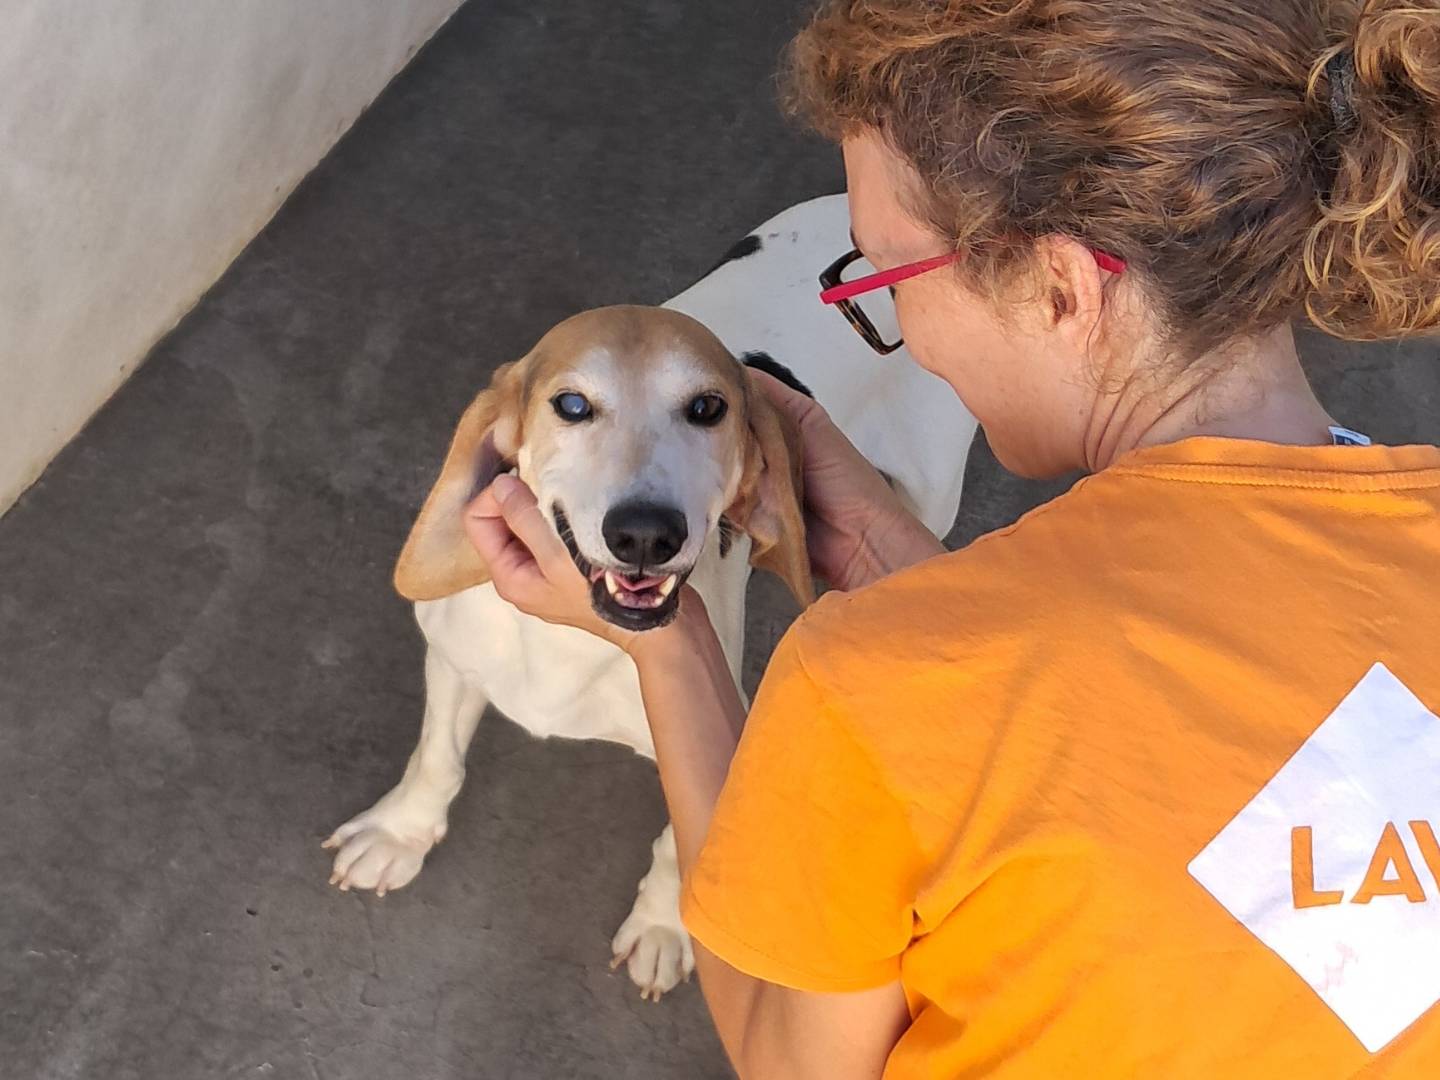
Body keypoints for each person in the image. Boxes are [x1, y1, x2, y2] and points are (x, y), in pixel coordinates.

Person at [466, 0, 1440, 1075]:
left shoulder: (886, 689)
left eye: (882, 281)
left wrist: (675, 648)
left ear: (1062, 287)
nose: (901, 335)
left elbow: (793, 1062)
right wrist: (911, 586)